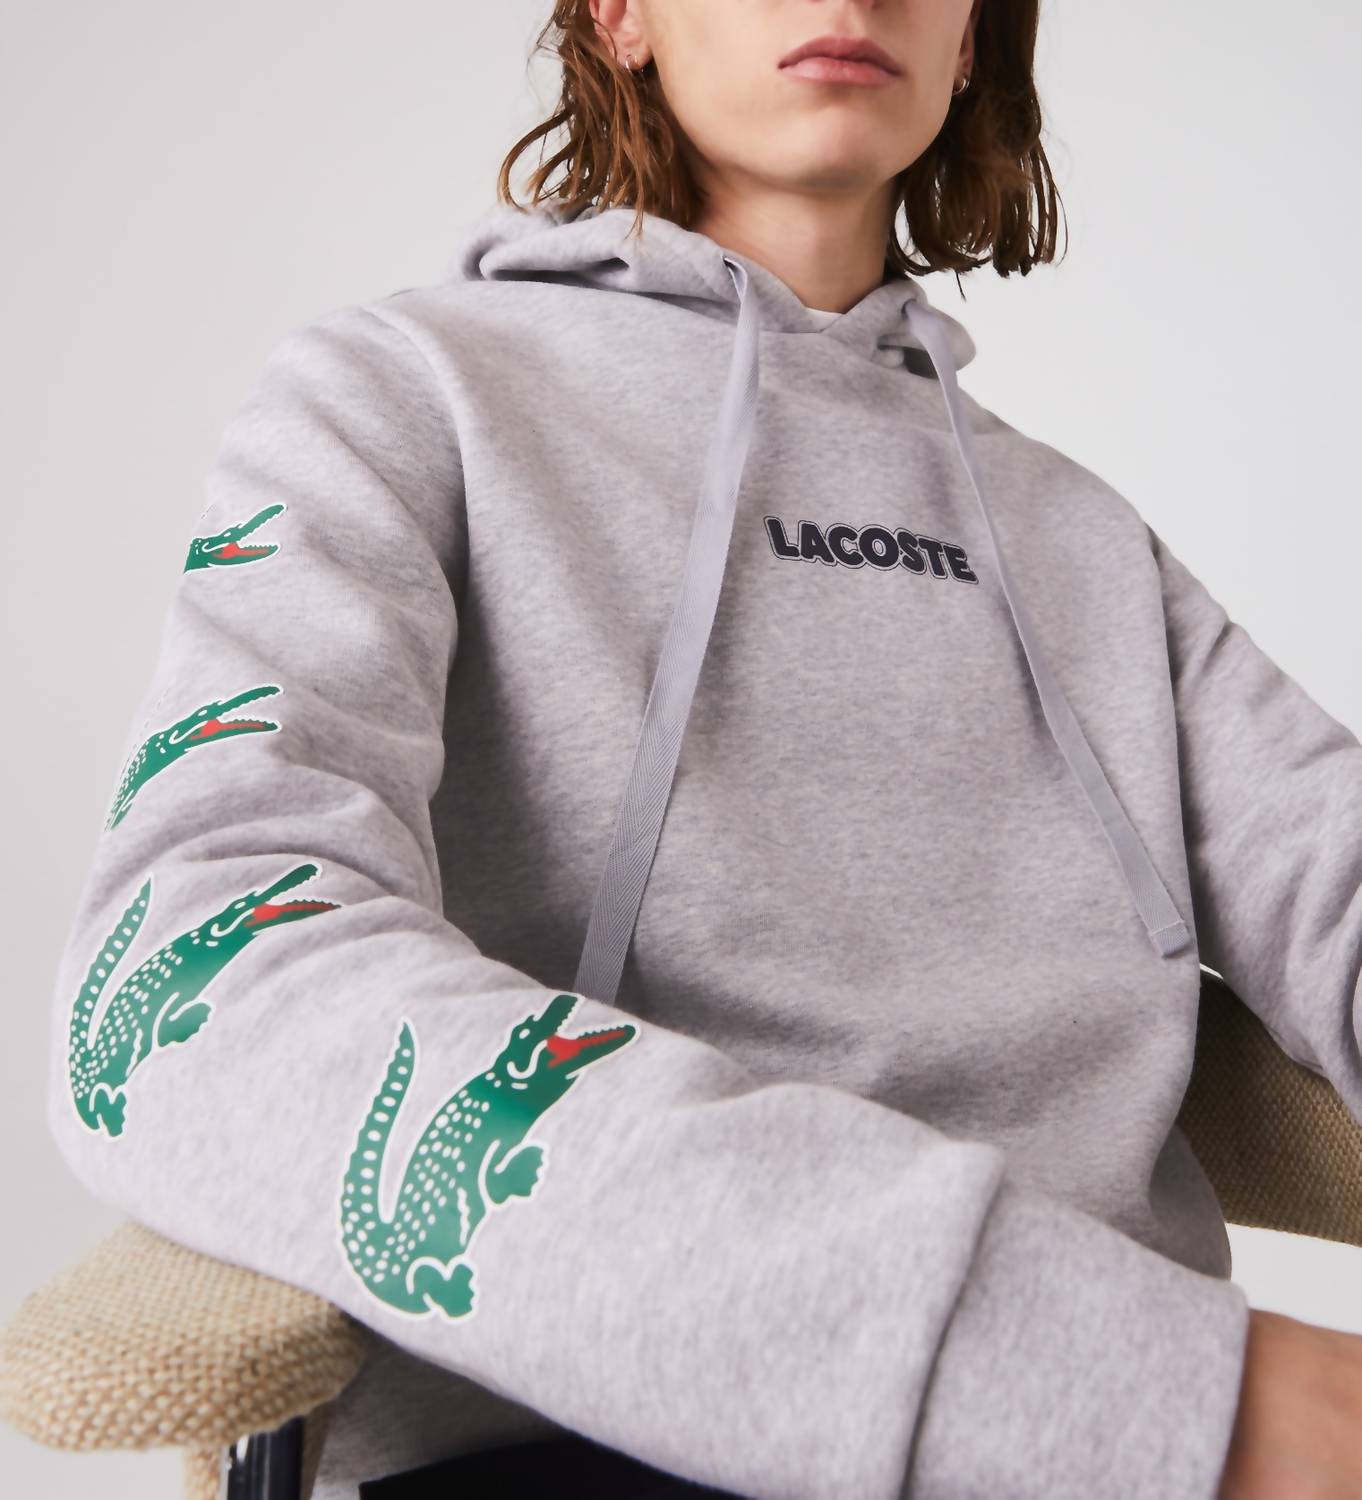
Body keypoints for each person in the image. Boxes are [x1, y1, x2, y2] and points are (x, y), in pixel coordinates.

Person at [46, 1, 1362, 1497]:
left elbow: (1333, 874)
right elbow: (190, 980)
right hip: (594, 1428)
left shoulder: (1078, 534)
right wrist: (1175, 1400)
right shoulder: (396, 395)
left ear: (972, 41)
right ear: (620, 15)